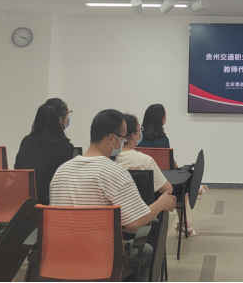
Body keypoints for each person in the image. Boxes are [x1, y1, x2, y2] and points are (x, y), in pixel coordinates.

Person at [50, 109, 177, 282]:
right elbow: (134, 224)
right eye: (122, 138)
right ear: (111, 138)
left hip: (60, 258)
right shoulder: (114, 172)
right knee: (146, 251)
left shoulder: (61, 171)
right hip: (100, 260)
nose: (123, 143)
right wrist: (161, 203)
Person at [15, 98, 75, 205]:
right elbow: (61, 183)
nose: (68, 117)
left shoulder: (26, 141)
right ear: (60, 119)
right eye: (68, 114)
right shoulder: (66, 147)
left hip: (22, 203)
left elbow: (17, 169)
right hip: (48, 205)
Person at [115, 114, 173, 196]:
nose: (141, 133)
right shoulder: (144, 160)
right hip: (143, 203)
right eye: (140, 130)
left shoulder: (108, 158)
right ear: (133, 135)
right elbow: (168, 189)